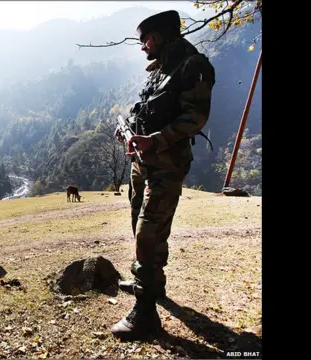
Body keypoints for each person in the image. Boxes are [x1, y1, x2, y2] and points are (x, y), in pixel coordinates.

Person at [112, 9, 216, 339]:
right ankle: (152, 283)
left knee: (149, 231)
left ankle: (145, 314)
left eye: (144, 41)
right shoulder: (160, 69)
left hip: (167, 165)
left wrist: (154, 141)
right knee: (137, 222)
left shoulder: (194, 66)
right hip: (142, 163)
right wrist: (130, 134)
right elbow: (148, 110)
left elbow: (195, 119)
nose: (143, 47)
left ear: (156, 37)